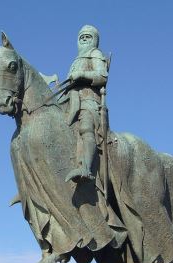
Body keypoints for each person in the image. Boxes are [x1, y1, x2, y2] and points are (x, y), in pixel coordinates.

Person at [65, 25, 109, 182]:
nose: (84, 39)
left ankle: (86, 169)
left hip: (89, 100)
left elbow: (102, 76)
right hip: (71, 100)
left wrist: (82, 74)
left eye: (87, 37)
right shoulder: (75, 60)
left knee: (86, 126)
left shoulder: (95, 54)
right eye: (81, 36)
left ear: (94, 40)